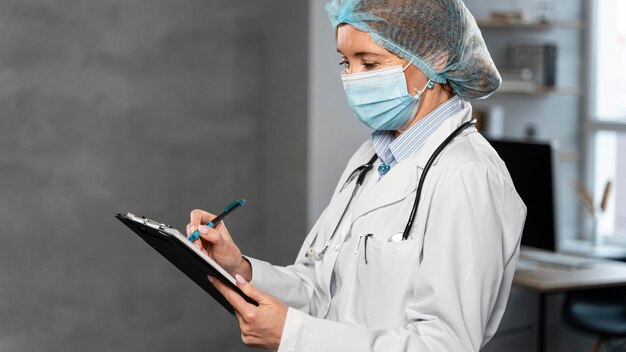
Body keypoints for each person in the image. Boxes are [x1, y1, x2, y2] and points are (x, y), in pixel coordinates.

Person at [187, 0, 527, 350]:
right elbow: (321, 288)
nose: (352, 78)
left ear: (434, 59)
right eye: (345, 62)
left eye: (370, 63)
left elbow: (443, 344)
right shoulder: (372, 156)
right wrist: (242, 269)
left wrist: (294, 336)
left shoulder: (468, 176)